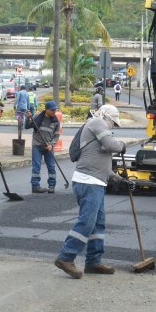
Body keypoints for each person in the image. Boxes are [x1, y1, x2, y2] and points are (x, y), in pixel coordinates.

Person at [54, 104, 135, 278]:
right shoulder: (97, 122)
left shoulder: (100, 129)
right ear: (106, 116)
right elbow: (111, 144)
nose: (113, 126)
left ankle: (93, 261)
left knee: (98, 223)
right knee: (87, 222)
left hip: (95, 182)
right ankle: (65, 257)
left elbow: (105, 169)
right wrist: (121, 145)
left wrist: (121, 181)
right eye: (113, 122)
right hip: (87, 182)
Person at [28, 100, 62, 193]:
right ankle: (35, 186)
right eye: (52, 110)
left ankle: (52, 186)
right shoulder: (37, 117)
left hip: (49, 147)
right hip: (37, 145)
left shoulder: (56, 121)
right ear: (47, 109)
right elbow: (27, 126)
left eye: (55, 110)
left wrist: (52, 144)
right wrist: (28, 118)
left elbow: (56, 135)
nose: (54, 112)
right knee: (36, 167)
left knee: (51, 167)